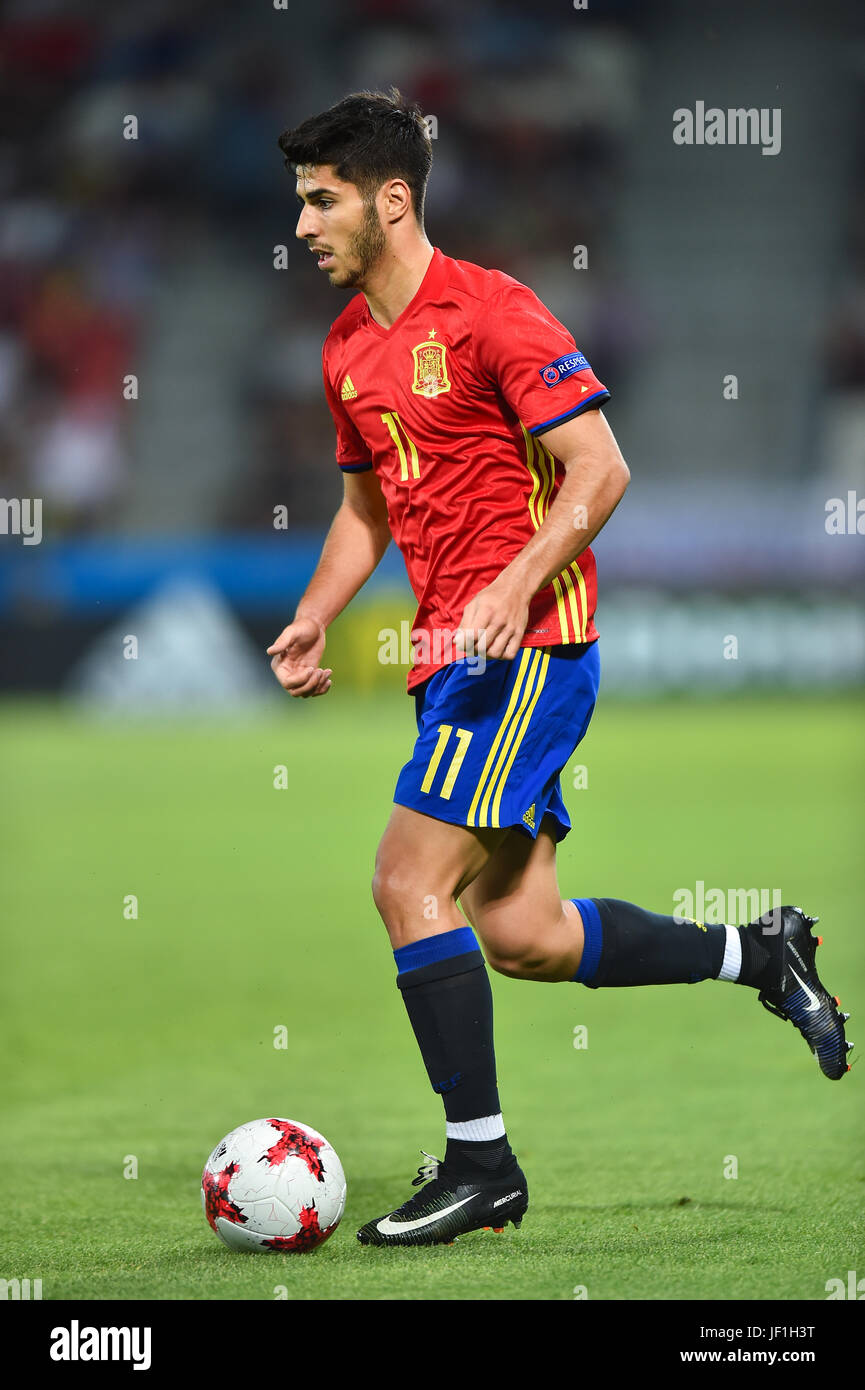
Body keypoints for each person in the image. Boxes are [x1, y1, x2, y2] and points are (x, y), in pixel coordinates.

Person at [267, 90, 851, 1248]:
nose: (303, 224)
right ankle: (759, 948)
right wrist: (314, 613)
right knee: (523, 931)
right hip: (456, 662)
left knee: (403, 882)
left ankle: (482, 1166)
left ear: (392, 198)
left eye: (322, 199)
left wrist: (515, 580)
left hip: (532, 648)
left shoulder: (494, 313)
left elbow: (601, 467)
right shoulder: (347, 350)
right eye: (298, 201)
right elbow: (364, 511)